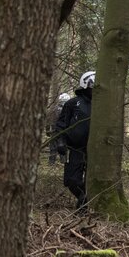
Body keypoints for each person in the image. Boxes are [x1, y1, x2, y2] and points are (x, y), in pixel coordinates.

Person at [54, 72, 95, 214]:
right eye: (92, 87)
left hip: (95, 150)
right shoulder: (72, 104)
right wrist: (60, 141)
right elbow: (61, 125)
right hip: (75, 148)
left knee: (94, 179)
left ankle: (85, 204)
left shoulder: (103, 106)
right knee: (71, 180)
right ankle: (83, 197)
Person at [48, 93, 71, 165]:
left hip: (59, 131)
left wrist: (48, 131)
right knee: (55, 147)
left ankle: (58, 162)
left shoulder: (53, 109)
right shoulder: (68, 110)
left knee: (60, 147)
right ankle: (56, 162)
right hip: (57, 131)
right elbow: (48, 122)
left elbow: (48, 122)